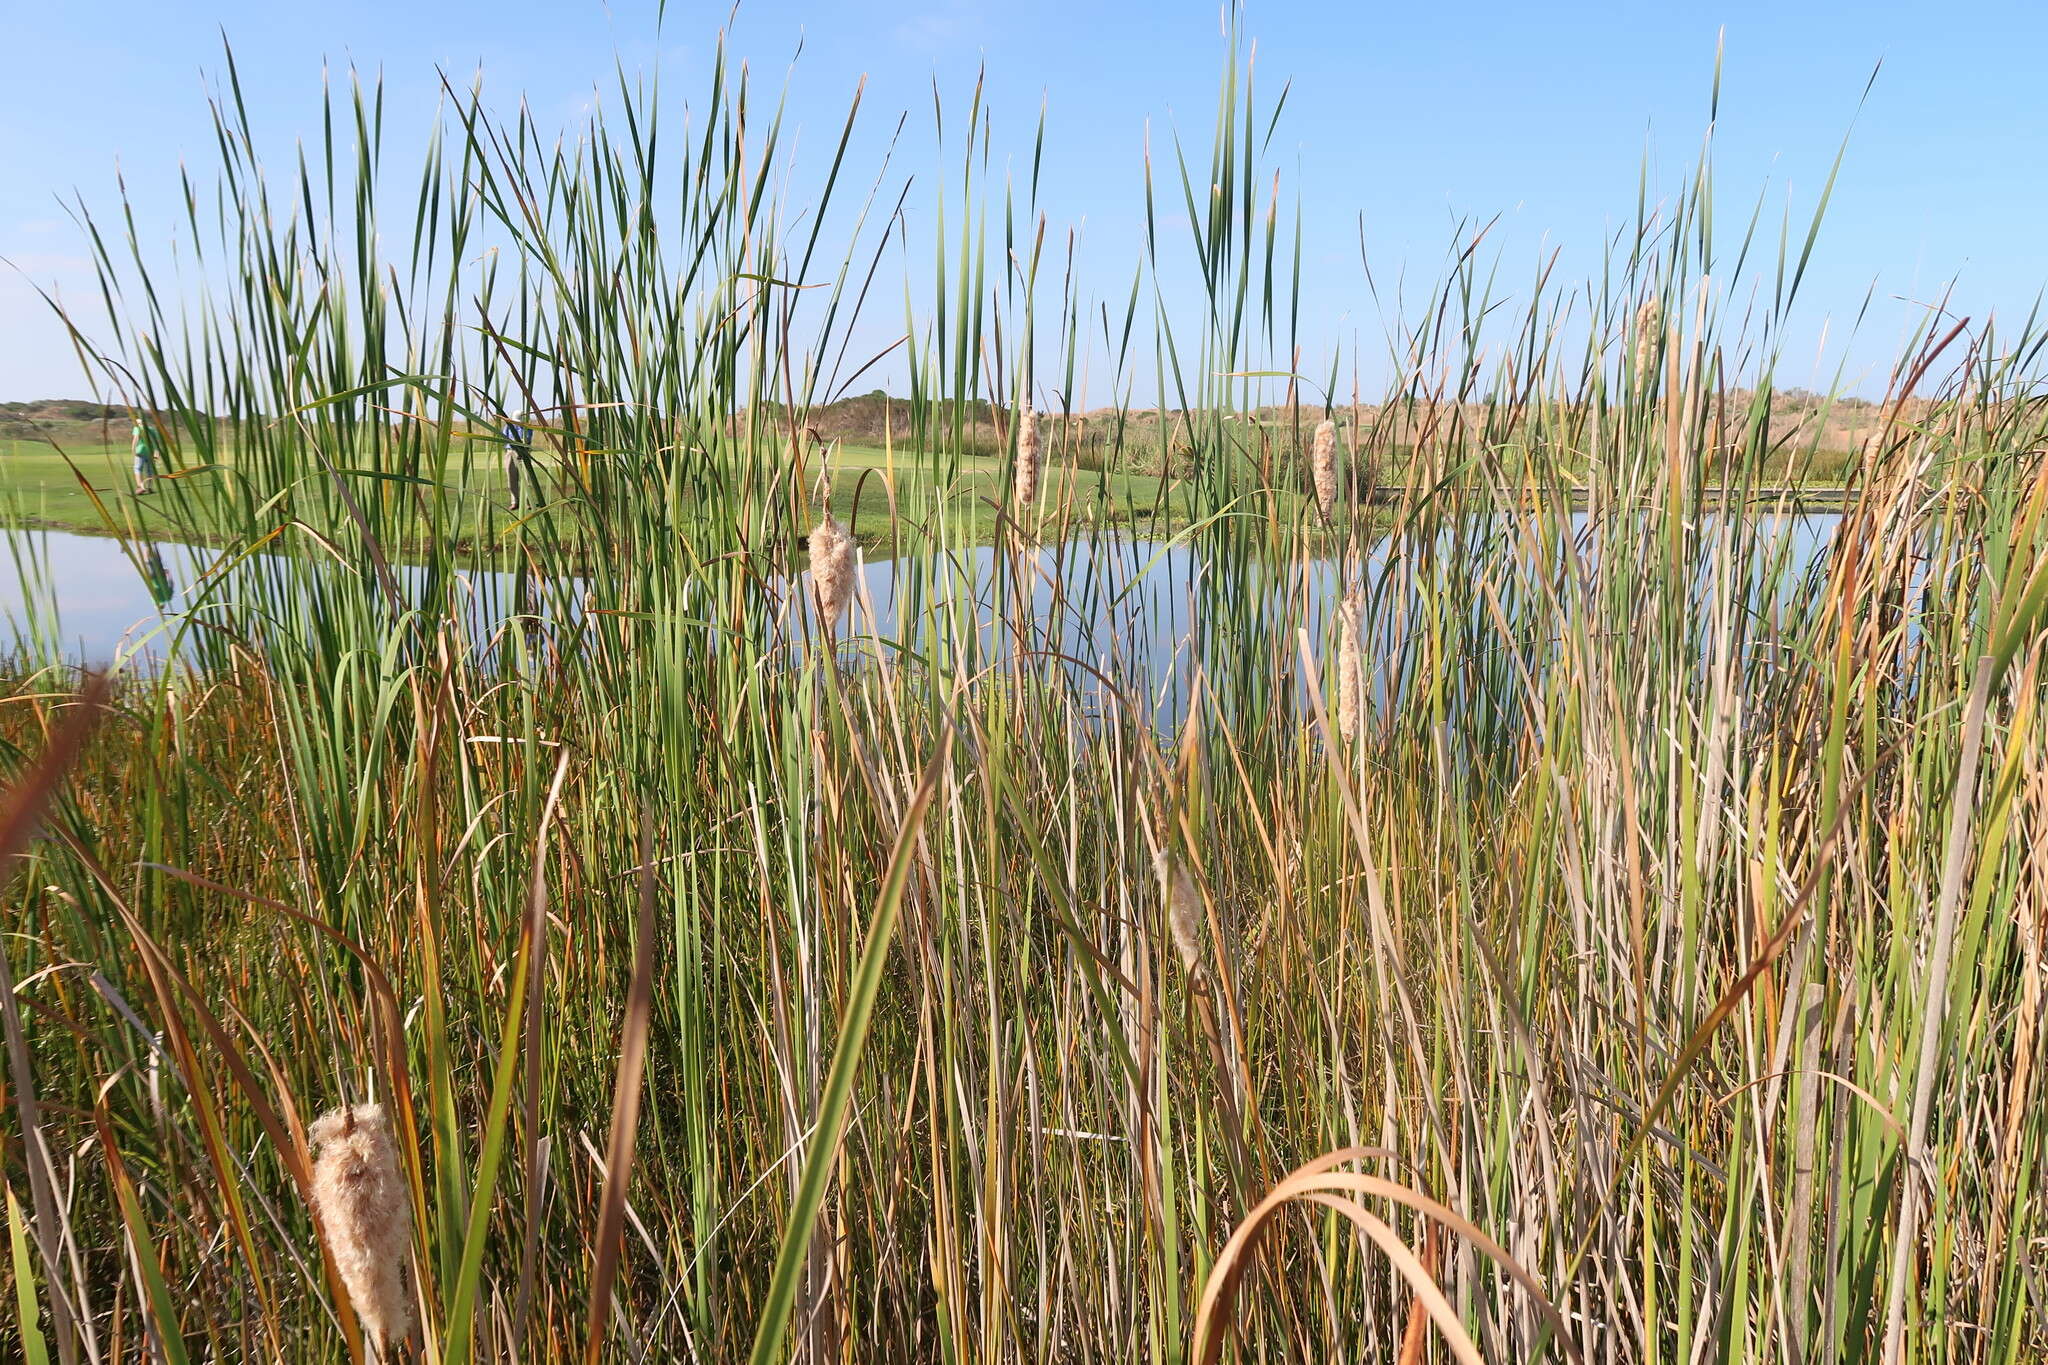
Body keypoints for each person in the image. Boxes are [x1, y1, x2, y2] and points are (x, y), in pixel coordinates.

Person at [501, 416, 535, 510]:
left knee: (526, 479)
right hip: (511, 452)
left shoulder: (527, 427)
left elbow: (528, 438)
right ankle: (515, 502)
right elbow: (504, 437)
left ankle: (527, 502)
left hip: (523, 452)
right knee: (511, 478)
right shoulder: (508, 426)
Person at [131, 417, 159, 496]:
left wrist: (133, 449)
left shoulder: (137, 428)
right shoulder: (151, 429)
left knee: (138, 468)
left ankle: (140, 487)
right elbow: (156, 441)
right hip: (150, 451)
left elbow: (136, 438)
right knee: (149, 470)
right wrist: (157, 452)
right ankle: (150, 487)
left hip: (140, 450)